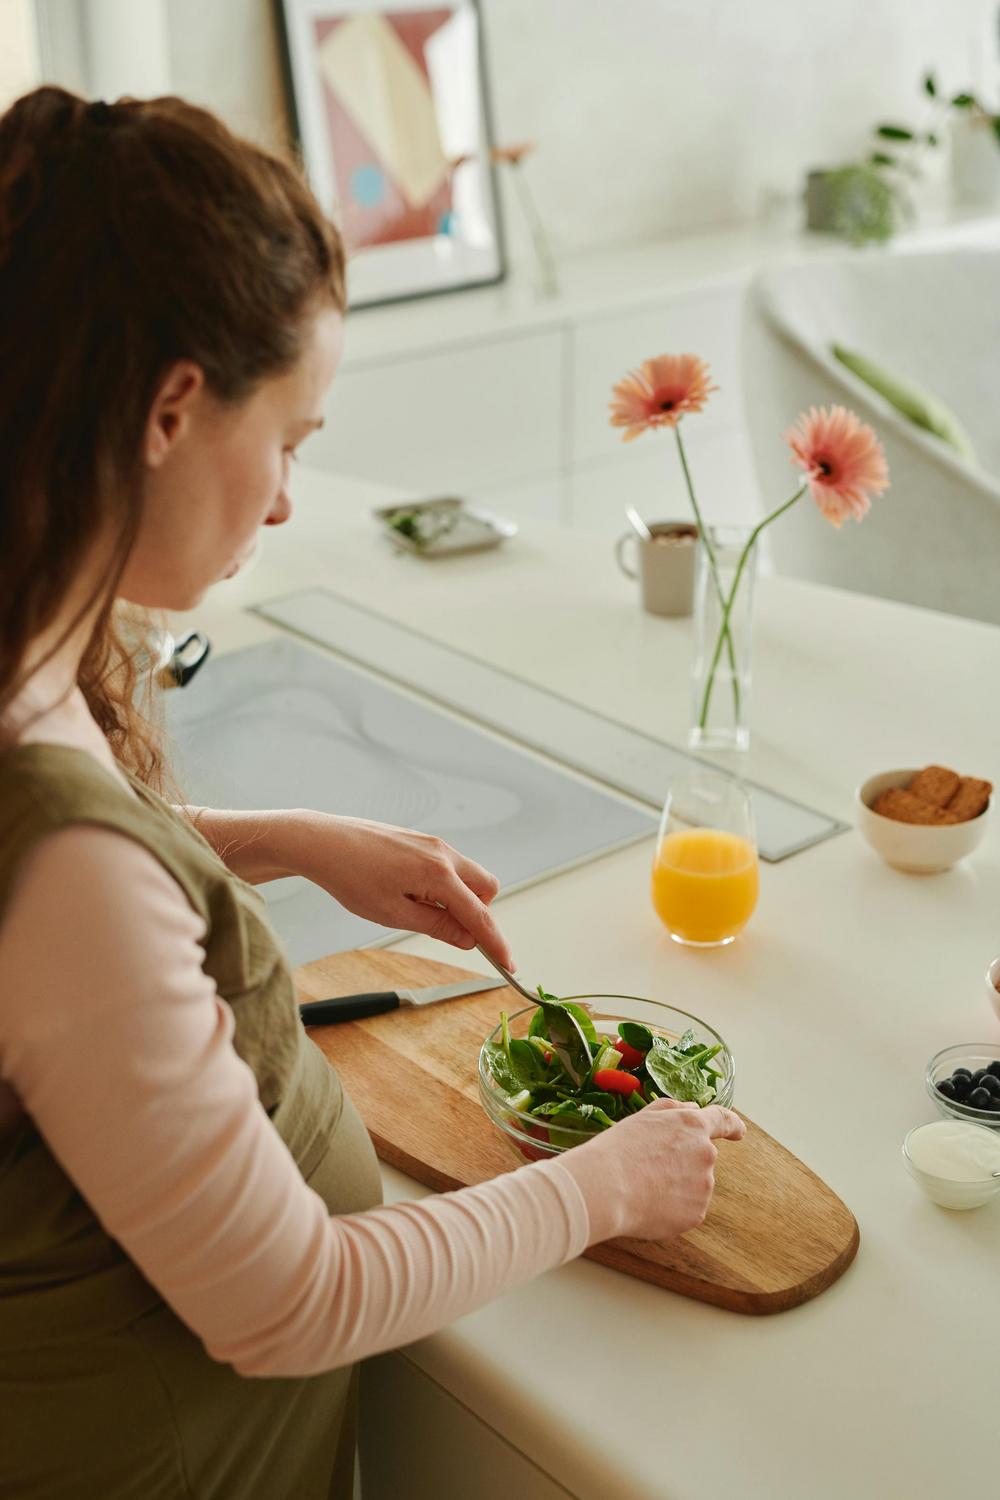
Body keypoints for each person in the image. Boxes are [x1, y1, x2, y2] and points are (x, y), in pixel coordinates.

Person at [0, 87, 745, 1499]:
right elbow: (290, 1303)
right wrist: (609, 1186)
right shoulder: (69, 873)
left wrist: (276, 842)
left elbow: (47, 923)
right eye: (290, 438)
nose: (285, 501)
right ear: (170, 407)